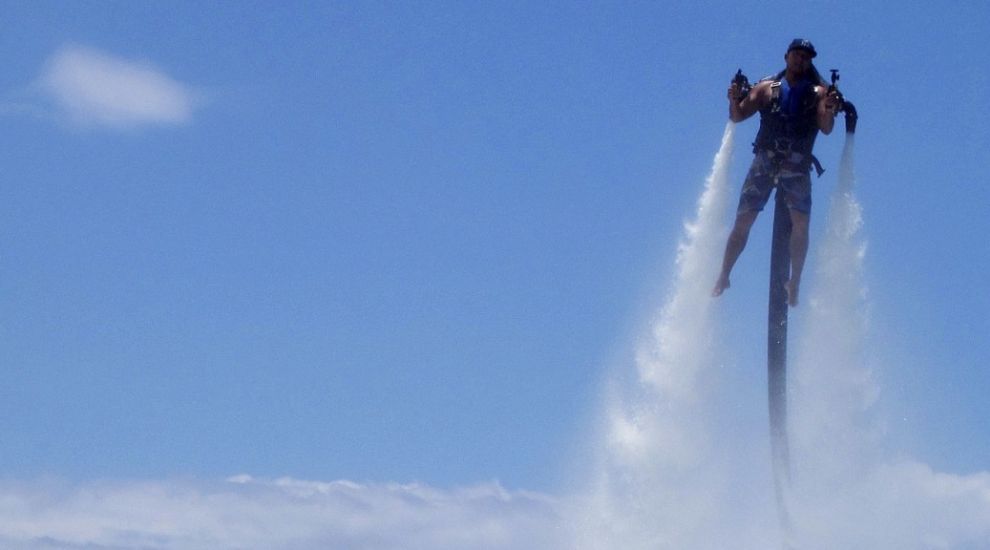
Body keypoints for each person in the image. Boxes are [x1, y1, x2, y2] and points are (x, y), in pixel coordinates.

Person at [711, 38, 842, 307]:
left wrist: (830, 108)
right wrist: (734, 99)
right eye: (796, 54)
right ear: (786, 56)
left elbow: (826, 127)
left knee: (801, 224)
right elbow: (737, 116)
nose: (800, 60)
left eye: (806, 56)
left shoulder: (819, 93)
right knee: (742, 222)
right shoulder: (766, 89)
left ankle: (795, 281)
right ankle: (724, 274)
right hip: (766, 161)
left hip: (796, 165)